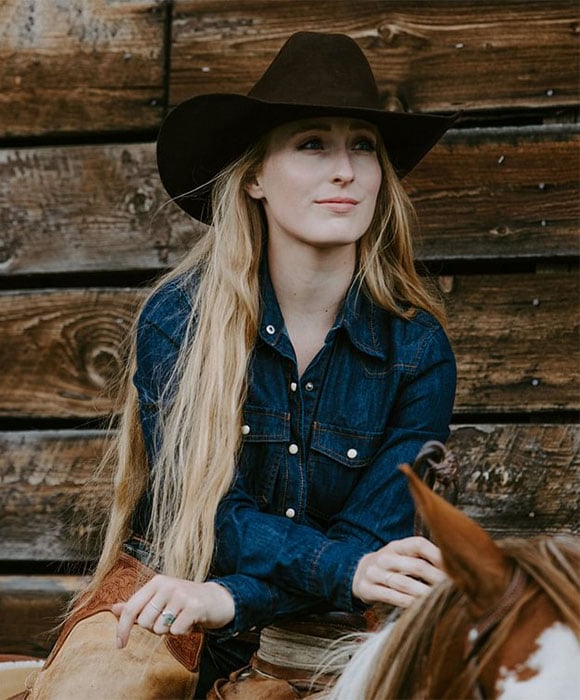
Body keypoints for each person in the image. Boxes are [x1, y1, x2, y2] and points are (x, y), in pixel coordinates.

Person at [93, 31, 458, 695]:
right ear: (256, 176)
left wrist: (233, 598)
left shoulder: (417, 351)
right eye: (313, 144)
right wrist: (331, 572)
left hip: (334, 625)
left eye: (363, 147)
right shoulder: (179, 321)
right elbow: (213, 514)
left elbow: (370, 546)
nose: (345, 170)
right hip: (167, 594)